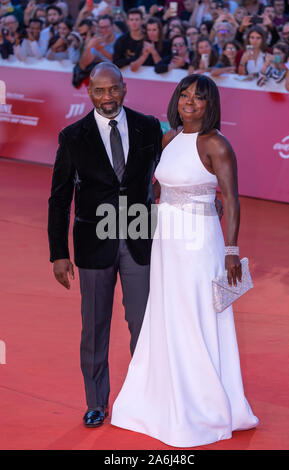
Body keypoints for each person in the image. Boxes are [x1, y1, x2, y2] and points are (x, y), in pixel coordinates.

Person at [111, 73, 259, 447]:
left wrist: (231, 251)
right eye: (184, 95)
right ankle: (165, 397)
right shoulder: (171, 138)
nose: (189, 102)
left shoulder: (217, 145)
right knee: (167, 313)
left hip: (198, 244)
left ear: (211, 105)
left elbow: (233, 198)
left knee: (196, 315)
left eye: (199, 97)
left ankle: (203, 406)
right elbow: (163, 185)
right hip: (167, 238)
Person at [47, 62, 163, 428]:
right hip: (93, 243)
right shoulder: (73, 136)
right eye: (100, 90)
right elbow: (59, 198)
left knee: (143, 324)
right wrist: (59, 253)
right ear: (89, 92)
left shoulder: (148, 126)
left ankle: (145, 399)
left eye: (114, 89)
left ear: (124, 88)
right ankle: (97, 402)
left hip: (140, 237)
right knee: (94, 326)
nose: (108, 97)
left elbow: (169, 174)